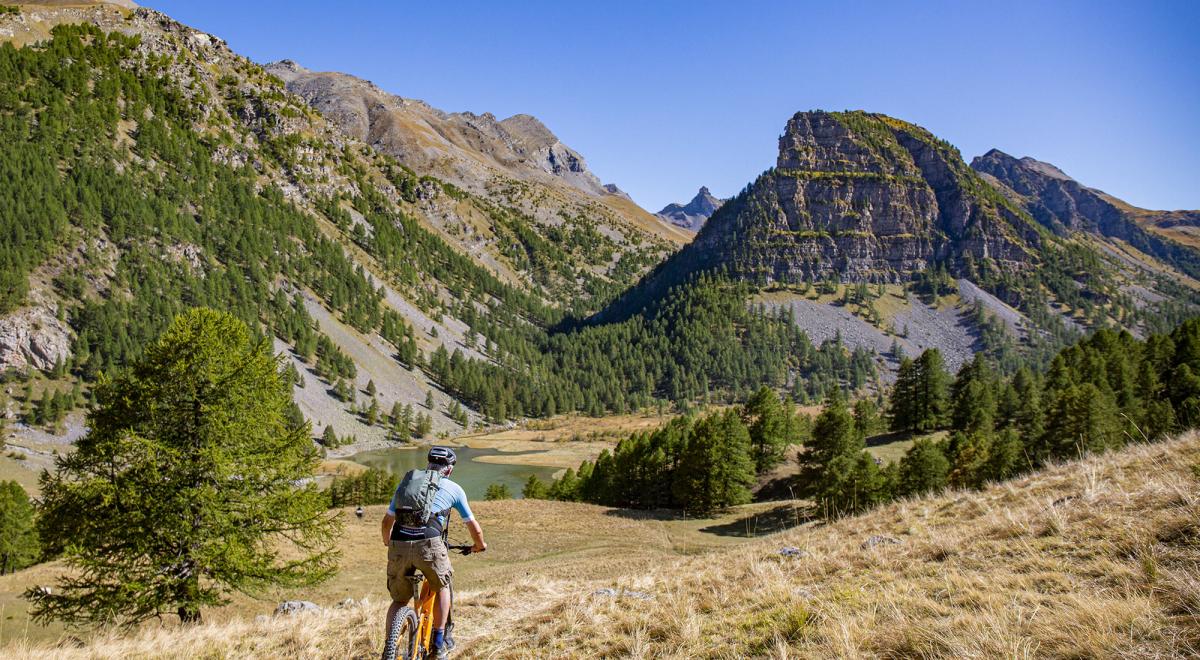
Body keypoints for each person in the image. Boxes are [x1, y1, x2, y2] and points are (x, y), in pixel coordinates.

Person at [381, 446, 486, 659]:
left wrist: (388, 543)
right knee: (442, 586)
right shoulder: (454, 488)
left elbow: (386, 522)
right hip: (429, 544)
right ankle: (438, 645)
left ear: (428, 464)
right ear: (449, 469)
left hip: (399, 541)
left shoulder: (407, 484)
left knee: (399, 600)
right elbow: (474, 527)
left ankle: (388, 649)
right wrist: (479, 545)